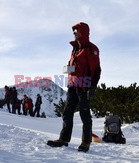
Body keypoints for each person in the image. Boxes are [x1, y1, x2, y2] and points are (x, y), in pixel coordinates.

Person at [47, 22, 101, 152]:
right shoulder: (75, 49)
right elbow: (75, 66)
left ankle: (86, 142)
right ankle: (64, 139)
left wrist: (92, 88)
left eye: (76, 31)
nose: (74, 33)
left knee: (84, 114)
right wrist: (69, 68)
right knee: (67, 113)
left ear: (83, 32)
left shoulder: (91, 49)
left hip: (84, 86)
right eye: (74, 31)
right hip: (72, 84)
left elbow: (96, 70)